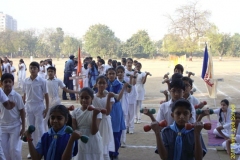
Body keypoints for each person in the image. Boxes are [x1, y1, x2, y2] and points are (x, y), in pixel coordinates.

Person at [22, 61, 49, 159]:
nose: (32, 70)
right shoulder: (26, 81)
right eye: (31, 68)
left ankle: (41, 149)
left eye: (34, 68)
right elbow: (24, 95)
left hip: (39, 105)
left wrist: (47, 108)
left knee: (40, 127)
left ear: (38, 69)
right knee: (30, 128)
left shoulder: (42, 81)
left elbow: (46, 95)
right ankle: (32, 151)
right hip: (29, 106)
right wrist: (22, 106)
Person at [71, 87, 103, 160]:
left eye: (87, 98)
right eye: (81, 97)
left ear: (92, 98)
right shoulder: (75, 112)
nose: (84, 100)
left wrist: (94, 115)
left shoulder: (96, 111)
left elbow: (94, 131)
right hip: (80, 139)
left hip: (93, 140)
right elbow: (74, 128)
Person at [44, 67, 79, 132]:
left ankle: (62, 130)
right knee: (46, 118)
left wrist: (76, 92)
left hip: (56, 102)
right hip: (47, 102)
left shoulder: (58, 81)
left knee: (61, 115)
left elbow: (66, 90)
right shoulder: (44, 81)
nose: (50, 73)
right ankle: (48, 132)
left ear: (54, 73)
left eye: (52, 71)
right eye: (49, 71)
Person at [0, 73, 25, 160]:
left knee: (15, 149)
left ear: (13, 83)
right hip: (2, 126)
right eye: (5, 82)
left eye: (9, 82)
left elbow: (22, 111)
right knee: (3, 150)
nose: (7, 84)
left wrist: (23, 127)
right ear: (1, 83)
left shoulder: (17, 96)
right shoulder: (0, 94)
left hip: (15, 125)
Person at [92, 75, 116, 160]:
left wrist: (109, 97)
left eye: (103, 83)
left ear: (106, 85)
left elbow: (107, 112)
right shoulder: (93, 97)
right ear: (96, 85)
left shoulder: (110, 97)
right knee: (96, 144)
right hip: (96, 122)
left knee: (104, 146)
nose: (101, 85)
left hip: (105, 122)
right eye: (99, 83)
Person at [106, 68, 126, 159]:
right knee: (106, 131)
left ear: (116, 75)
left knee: (116, 131)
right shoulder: (104, 83)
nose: (111, 75)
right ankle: (107, 152)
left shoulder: (119, 84)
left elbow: (118, 98)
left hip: (115, 109)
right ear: (107, 75)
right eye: (109, 73)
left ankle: (115, 152)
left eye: (113, 73)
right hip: (105, 107)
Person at [116, 66, 131, 147]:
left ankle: (123, 140)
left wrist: (127, 85)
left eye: (121, 72)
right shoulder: (115, 82)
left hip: (124, 100)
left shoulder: (127, 80)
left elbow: (129, 91)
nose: (120, 74)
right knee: (117, 120)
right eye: (118, 72)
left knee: (124, 121)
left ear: (124, 73)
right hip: (117, 100)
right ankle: (117, 140)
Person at [124, 58, 137, 133]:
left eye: (130, 63)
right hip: (126, 92)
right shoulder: (124, 72)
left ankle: (131, 127)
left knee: (132, 111)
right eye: (128, 62)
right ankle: (126, 126)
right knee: (126, 111)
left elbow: (134, 83)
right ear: (126, 63)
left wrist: (134, 75)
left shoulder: (134, 72)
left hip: (132, 93)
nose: (129, 64)